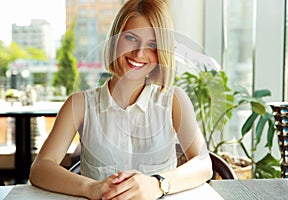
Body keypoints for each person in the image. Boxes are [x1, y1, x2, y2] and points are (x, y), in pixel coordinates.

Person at [29, 0, 213, 199]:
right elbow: (40, 168)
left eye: (152, 45)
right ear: (115, 39)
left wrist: (158, 184)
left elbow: (203, 164)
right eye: (131, 38)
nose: (139, 53)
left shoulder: (174, 100)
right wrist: (91, 188)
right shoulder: (80, 104)